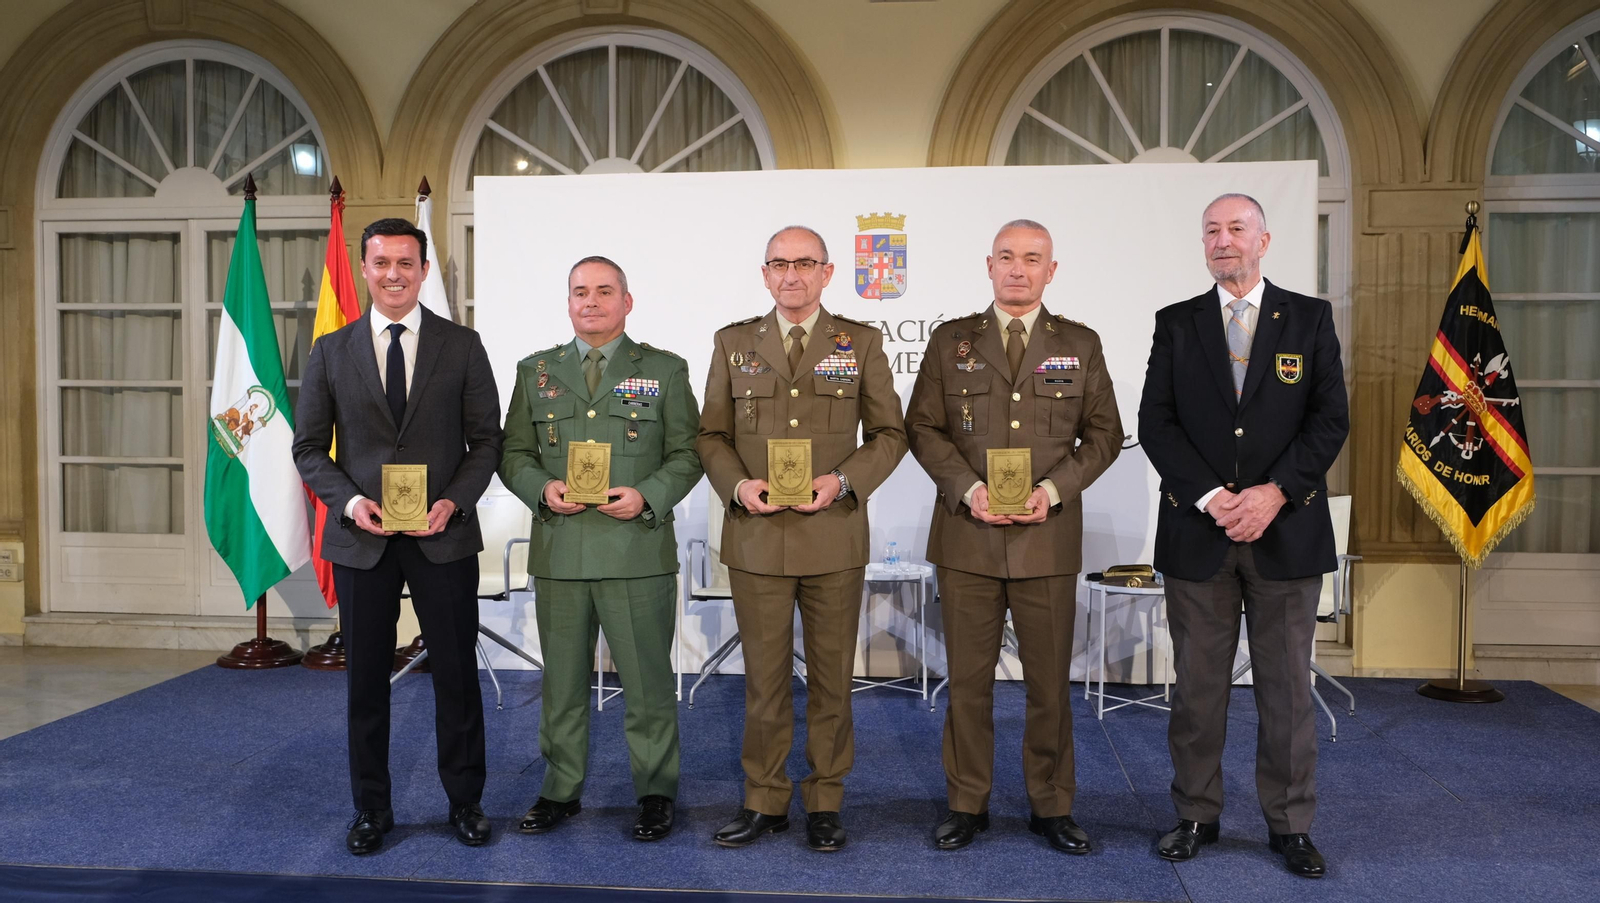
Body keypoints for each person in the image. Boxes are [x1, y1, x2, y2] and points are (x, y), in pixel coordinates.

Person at [1137, 193, 1349, 878]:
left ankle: (1290, 825)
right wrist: (1211, 496)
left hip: (1285, 532)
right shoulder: (1177, 323)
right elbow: (1157, 421)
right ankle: (1196, 813)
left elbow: (1328, 419)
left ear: (1264, 239)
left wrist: (1275, 491)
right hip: (1199, 533)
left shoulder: (1309, 318)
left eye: (1236, 229)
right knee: (1197, 689)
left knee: (1287, 690)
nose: (1223, 240)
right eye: (1212, 231)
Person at [905, 219, 1122, 854]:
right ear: (989, 266)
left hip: (1045, 538)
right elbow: (923, 428)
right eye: (1007, 257)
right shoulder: (952, 341)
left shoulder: (1080, 343)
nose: (1018, 268)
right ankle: (966, 802)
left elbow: (1105, 435)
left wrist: (1051, 491)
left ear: (1051, 270)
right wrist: (969, 489)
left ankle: (1051, 805)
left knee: (1049, 683)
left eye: (1032, 258)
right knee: (968, 682)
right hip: (967, 536)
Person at [293, 218, 503, 855]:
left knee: (455, 676)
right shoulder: (330, 350)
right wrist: (351, 503)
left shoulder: (462, 345)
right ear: (364, 268)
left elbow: (487, 441)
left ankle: (465, 802)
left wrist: (452, 501)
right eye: (381, 262)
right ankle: (371, 809)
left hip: (442, 536)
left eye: (405, 264)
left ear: (422, 269)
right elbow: (308, 449)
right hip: (363, 539)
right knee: (364, 683)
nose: (393, 274)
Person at [696, 225, 907, 852]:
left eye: (804, 263)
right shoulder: (733, 343)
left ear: (827, 272)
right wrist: (737, 488)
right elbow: (711, 436)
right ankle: (764, 798)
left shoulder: (861, 343)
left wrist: (842, 481)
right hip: (757, 536)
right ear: (765, 275)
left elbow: (891, 435)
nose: (791, 275)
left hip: (832, 535)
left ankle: (825, 799)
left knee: (832, 678)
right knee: (762, 680)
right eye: (779, 264)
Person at [499, 256, 702, 842]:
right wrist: (542, 488)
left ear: (627, 301)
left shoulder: (664, 370)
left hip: (635, 551)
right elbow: (513, 454)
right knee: (560, 685)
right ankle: (560, 790)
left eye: (604, 291)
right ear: (568, 303)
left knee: (647, 685)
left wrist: (648, 496)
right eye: (580, 292)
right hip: (562, 552)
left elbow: (688, 454)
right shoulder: (534, 370)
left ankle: (656, 792)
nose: (591, 301)